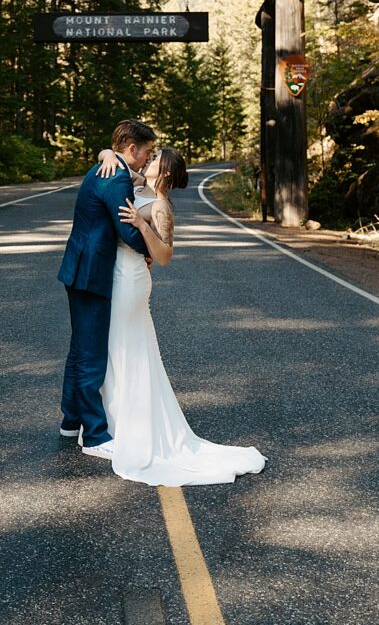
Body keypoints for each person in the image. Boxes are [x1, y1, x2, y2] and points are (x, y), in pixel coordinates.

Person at [95, 146, 267, 486]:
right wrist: (107, 153)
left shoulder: (159, 206)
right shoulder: (136, 183)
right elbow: (108, 157)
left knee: (126, 347)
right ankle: (113, 421)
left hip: (131, 282)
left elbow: (165, 256)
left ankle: (128, 427)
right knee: (117, 349)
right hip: (115, 272)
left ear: (167, 172)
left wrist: (142, 228)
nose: (150, 160)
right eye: (151, 155)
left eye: (156, 159)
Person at [57, 119, 156, 459]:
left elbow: (136, 181)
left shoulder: (107, 167)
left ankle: (70, 422)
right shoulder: (114, 176)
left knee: (79, 350)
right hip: (92, 273)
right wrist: (153, 249)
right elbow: (128, 229)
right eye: (146, 152)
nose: (147, 158)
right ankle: (96, 436)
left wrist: (111, 156)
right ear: (131, 149)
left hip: (80, 267)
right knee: (91, 356)